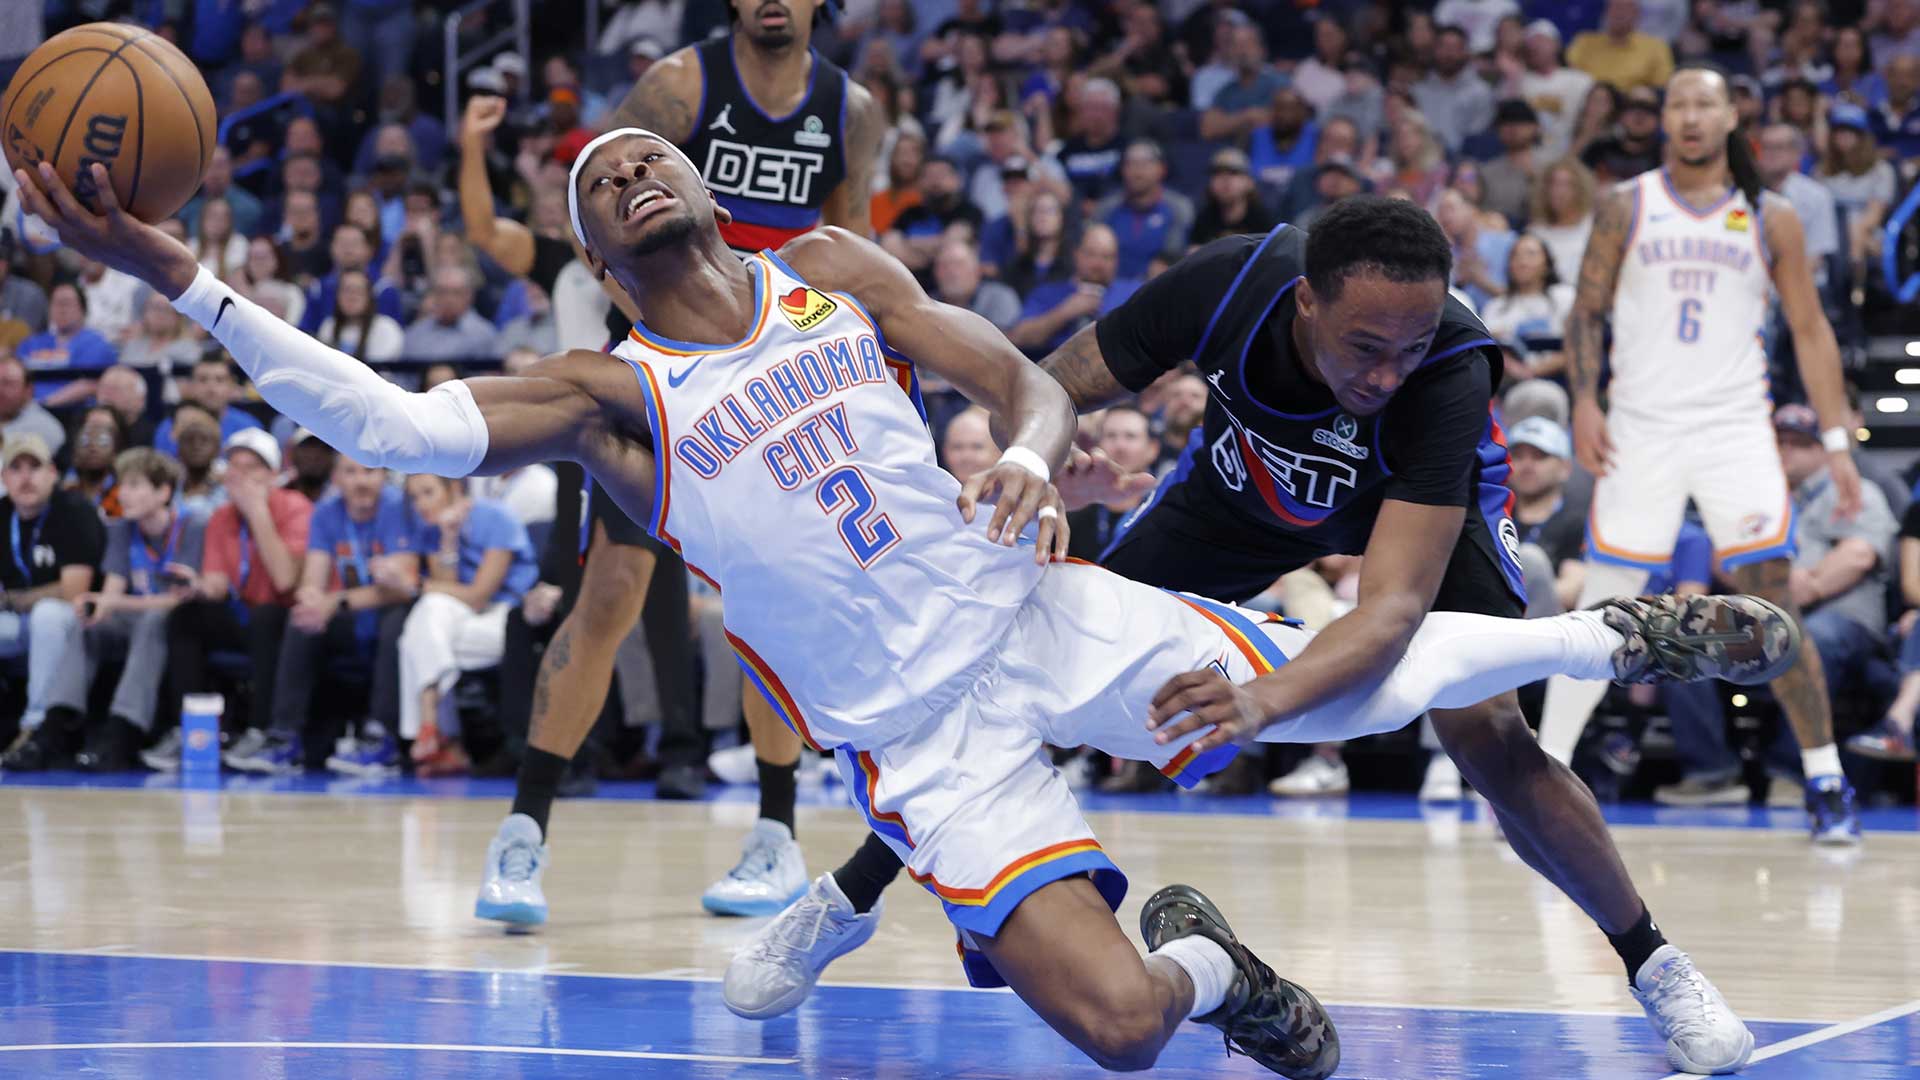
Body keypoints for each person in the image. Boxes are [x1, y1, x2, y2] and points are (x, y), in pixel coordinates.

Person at [24, 129, 1801, 1080]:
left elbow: (1022, 383)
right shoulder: (607, 394)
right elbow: (398, 429)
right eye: (597, 182)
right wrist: (189, 280)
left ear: (706, 190)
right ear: (589, 249)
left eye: (647, 153)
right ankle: (1213, 966)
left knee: (1324, 683)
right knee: (1118, 1033)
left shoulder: (835, 278)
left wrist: (1030, 454)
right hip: (922, 739)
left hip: (1021, 604)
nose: (631, 170)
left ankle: (1599, 632)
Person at [483, 0, 888, 922]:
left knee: (774, 600)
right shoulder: (677, 87)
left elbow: (857, 247)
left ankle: (776, 836)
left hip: (782, 372)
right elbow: (598, 207)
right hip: (669, 380)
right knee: (611, 595)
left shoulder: (849, 108)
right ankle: (522, 834)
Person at [1541, 67, 1867, 846]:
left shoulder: (1771, 213)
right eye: (1677, 104)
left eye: (1705, 104)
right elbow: (1586, 312)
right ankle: (1543, 769)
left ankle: (1824, 777)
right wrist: (1585, 400)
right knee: (1607, 602)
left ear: (1730, 116)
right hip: (1640, 429)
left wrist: (1835, 442)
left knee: (1772, 603)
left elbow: (1813, 330)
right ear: (1665, 120)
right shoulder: (1626, 204)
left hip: (1733, 431)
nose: (1690, 117)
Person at [225, 456, 418, 775]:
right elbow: (312, 579)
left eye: (369, 472)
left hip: (392, 612)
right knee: (302, 619)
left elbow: (403, 586)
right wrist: (312, 599)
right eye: (350, 472)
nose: (361, 481)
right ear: (337, 479)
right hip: (354, 615)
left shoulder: (398, 508)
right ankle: (285, 738)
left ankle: (382, 740)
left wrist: (334, 601)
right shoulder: (327, 512)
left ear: (384, 476)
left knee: (397, 618)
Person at [38, 449, 204, 772]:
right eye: (121, 485)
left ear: (163, 492)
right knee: (91, 627)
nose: (122, 493)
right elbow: (111, 595)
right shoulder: (121, 529)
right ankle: (56, 724)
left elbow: (177, 601)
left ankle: (122, 732)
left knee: (154, 620)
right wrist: (95, 609)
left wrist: (113, 603)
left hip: (183, 624)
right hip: (138, 616)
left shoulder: (191, 526)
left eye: (134, 484)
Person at [1765, 404, 1899, 778]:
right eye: (1779, 441)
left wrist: (1812, 585)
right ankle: (1713, 769)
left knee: (1814, 639)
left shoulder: (1853, 490)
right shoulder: (1761, 497)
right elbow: (1719, 556)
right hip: (1772, 612)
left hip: (1844, 616)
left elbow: (1859, 554)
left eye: (1799, 443)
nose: (1786, 450)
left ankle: (1791, 771)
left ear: (1823, 450)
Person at [170, 429, 307, 768]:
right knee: (186, 616)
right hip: (243, 613)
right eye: (234, 467)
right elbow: (218, 583)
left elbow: (285, 580)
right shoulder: (220, 517)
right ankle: (189, 728)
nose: (241, 476)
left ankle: (260, 731)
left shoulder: (295, 507)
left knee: (266, 617)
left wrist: (258, 512)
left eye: (252, 468)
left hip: (285, 619)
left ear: (273, 475)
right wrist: (199, 586)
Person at [398, 473, 538, 776]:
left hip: (509, 617)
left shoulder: (497, 516)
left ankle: (438, 733)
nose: (421, 504)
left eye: (428, 492)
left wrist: (417, 586)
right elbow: (448, 590)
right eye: (414, 497)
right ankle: (433, 729)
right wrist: (448, 539)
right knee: (428, 618)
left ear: (455, 488)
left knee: (417, 636)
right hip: (461, 620)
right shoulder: (431, 528)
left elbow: (478, 595)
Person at [0, 433, 105, 769]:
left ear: (53, 474)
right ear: (4, 478)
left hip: (76, 622)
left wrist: (16, 599)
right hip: (17, 621)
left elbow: (75, 590)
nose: (26, 477)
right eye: (16, 468)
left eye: (35, 466)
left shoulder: (74, 510)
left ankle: (36, 727)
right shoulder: (3, 514)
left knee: (47, 614)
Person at [1009, 225, 1138, 357]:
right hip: (1051, 372)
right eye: (1091, 254)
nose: (1099, 264)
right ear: (1077, 255)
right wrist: (1065, 312)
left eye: (1107, 257)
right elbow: (1018, 338)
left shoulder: (1132, 293)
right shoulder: (1048, 293)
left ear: (1117, 261)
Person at [1095, 141, 1194, 281]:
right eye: (1131, 164)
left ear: (1162, 169)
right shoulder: (1106, 208)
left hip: (1156, 289)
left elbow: (1172, 257)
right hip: (1109, 289)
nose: (1137, 171)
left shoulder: (1178, 207)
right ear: (1122, 170)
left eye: (1145, 164)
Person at [1480, 234, 1573, 381]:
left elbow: (1578, 348)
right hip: (1508, 380)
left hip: (1560, 379)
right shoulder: (1495, 307)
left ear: (1547, 264)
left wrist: (1533, 371)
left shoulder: (1565, 297)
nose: (1522, 261)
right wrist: (1513, 368)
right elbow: (1488, 352)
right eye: (1515, 256)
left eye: (1531, 254)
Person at [1508, 20, 1595, 160]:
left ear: (1557, 45)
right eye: (1530, 43)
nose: (1535, 46)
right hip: (1527, 157)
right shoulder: (1518, 81)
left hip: (1572, 155)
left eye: (1541, 41)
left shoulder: (1580, 80)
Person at [153, 355, 267, 457]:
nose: (211, 388)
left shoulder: (249, 427)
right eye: (203, 380)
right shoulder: (170, 427)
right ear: (191, 386)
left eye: (219, 380)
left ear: (232, 385)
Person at [1414, 26, 1496, 154]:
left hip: (1465, 162)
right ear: (1434, 50)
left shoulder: (1481, 92)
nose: (1448, 54)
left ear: (1465, 52)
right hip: (1421, 160)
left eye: (1455, 48)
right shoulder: (1418, 91)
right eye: (1443, 47)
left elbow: (1477, 137)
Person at [1568, 0, 1675, 91]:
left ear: (1637, 14)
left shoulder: (1656, 47)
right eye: (1615, 8)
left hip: (1631, 107)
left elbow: (1662, 87)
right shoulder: (1584, 42)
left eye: (1626, 8)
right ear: (1606, 12)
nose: (1620, 13)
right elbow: (1569, 77)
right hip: (1588, 103)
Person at [1192, 148, 1280, 247]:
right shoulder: (1204, 219)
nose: (1225, 179)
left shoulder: (1263, 221)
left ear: (1249, 182)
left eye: (1234, 173)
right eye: (1217, 173)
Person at [16, 283, 118, 370]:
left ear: (83, 310)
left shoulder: (97, 344)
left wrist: (54, 395)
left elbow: (91, 383)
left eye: (67, 303)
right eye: (57, 303)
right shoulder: (31, 344)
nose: (62, 310)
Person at [1529, 157, 1598, 282]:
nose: (1558, 191)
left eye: (1566, 185)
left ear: (1580, 189)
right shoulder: (1535, 233)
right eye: (1553, 184)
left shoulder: (1596, 228)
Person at [65, 406, 126, 517]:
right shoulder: (64, 495)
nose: (93, 447)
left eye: (102, 439)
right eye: (86, 440)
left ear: (115, 452)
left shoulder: (125, 495)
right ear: (75, 454)